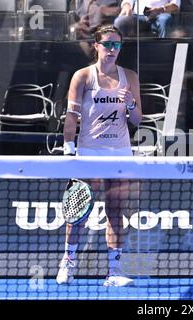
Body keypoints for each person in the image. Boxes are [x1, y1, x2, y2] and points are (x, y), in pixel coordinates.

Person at [56, 25, 142, 287]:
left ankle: (114, 271)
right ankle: (68, 264)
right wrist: (69, 148)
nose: (112, 50)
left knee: (116, 211)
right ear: (96, 46)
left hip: (120, 152)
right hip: (88, 152)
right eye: (107, 44)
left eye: (116, 45)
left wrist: (130, 104)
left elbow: (137, 121)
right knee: (77, 212)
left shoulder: (130, 77)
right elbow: (72, 117)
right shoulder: (82, 76)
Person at [114, 0, 180, 38]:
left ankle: (163, 51)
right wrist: (127, 6)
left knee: (165, 19)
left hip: (160, 15)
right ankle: (119, 53)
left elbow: (175, 5)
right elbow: (127, 1)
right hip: (137, 16)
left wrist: (160, 9)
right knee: (120, 21)